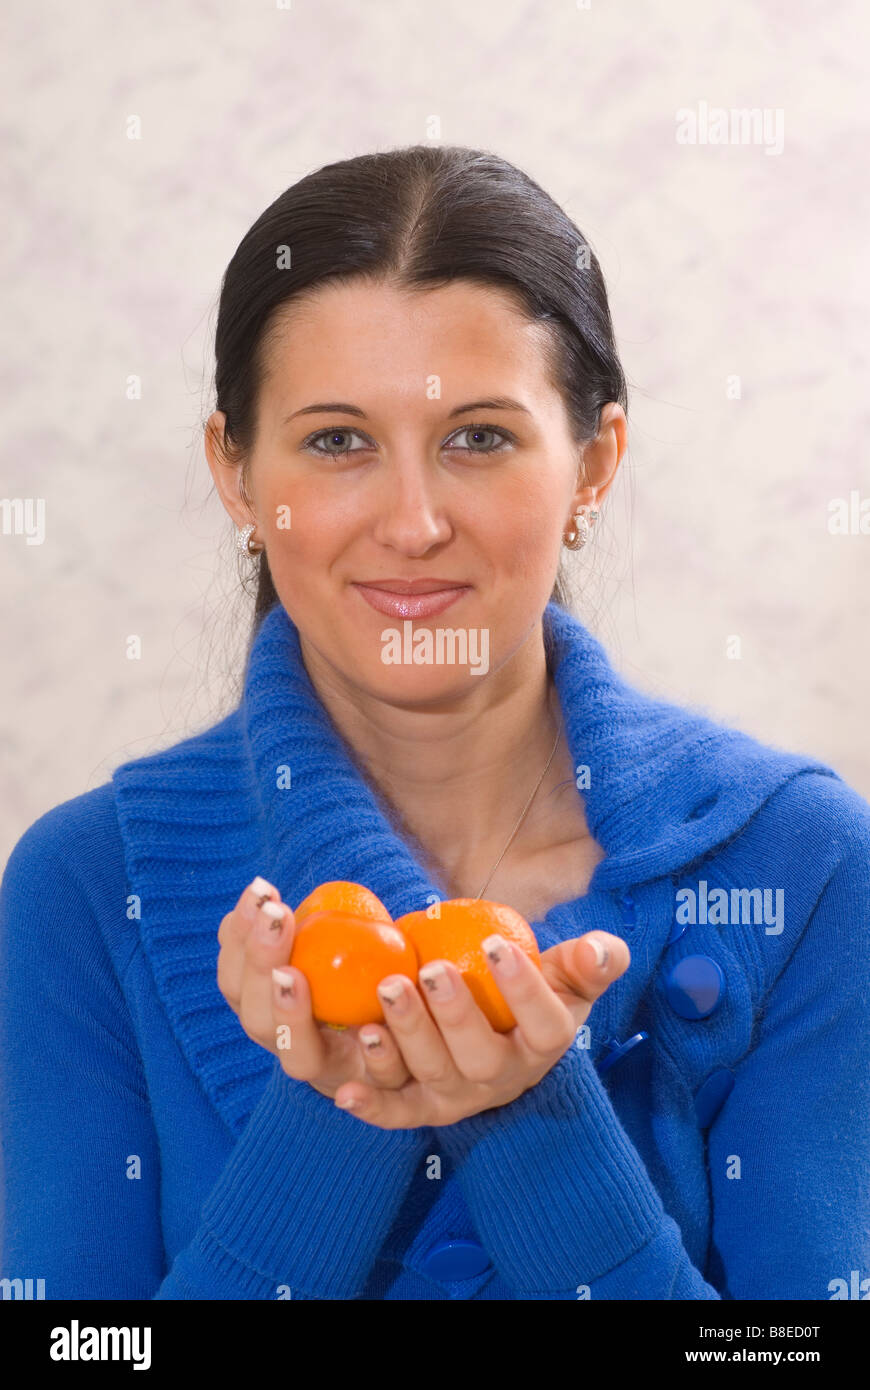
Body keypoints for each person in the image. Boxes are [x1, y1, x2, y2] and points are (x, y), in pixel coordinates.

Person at [2, 144, 869, 1301]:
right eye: (337, 441)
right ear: (237, 471)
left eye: (478, 437)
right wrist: (343, 1109)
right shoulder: (80, 887)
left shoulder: (801, 865)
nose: (412, 524)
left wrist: (539, 1118)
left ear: (595, 461)